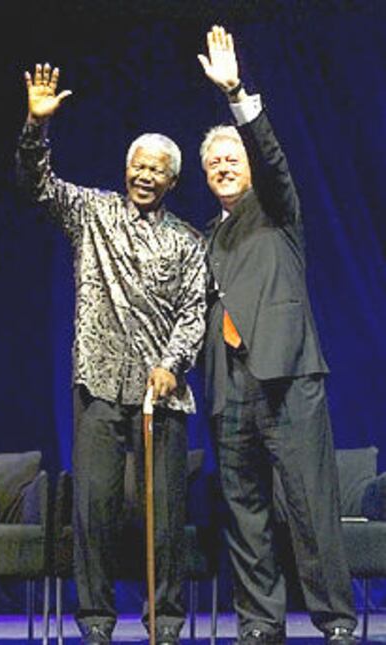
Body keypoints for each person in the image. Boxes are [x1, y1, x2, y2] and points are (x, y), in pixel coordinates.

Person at [16, 63, 207, 645]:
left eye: (157, 171)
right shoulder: (92, 212)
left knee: (165, 523)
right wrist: (35, 125)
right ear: (126, 170)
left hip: (160, 396)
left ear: (172, 182)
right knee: (93, 514)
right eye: (139, 166)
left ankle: (165, 622)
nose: (145, 176)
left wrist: (171, 365)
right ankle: (96, 622)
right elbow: (37, 185)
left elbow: (194, 313)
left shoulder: (187, 240)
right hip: (97, 385)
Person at [198, 26, 358, 645]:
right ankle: (261, 624)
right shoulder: (205, 240)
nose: (222, 167)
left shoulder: (279, 212)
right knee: (246, 516)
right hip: (229, 387)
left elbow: (270, 155)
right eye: (213, 163)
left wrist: (236, 92)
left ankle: (336, 620)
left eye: (230, 158)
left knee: (310, 507)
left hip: (288, 375)